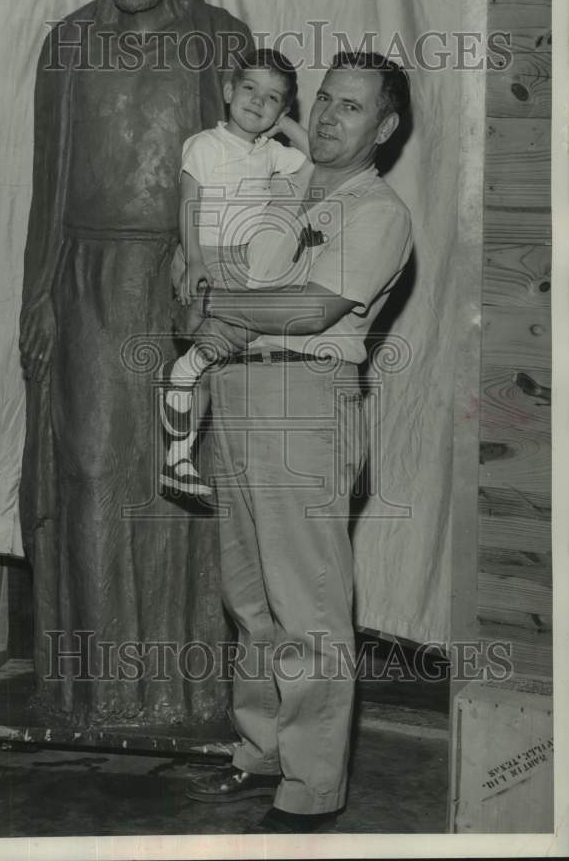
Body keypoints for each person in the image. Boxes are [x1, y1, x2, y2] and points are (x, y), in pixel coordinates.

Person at [18, 0, 251, 726]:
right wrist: (38, 294)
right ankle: (97, 684)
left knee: (177, 478)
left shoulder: (219, 40)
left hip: (178, 282)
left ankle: (180, 687)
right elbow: (47, 184)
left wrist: (224, 299)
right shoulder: (70, 44)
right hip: (85, 276)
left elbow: (244, 184)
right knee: (86, 470)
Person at [182, 50, 413, 833]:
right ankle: (262, 753)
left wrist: (219, 298)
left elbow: (312, 311)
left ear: (383, 127)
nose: (326, 116)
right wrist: (206, 285)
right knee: (249, 600)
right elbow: (201, 265)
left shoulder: (377, 210)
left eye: (351, 107)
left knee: (307, 603)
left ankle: (313, 789)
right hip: (238, 392)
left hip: (305, 401)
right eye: (323, 100)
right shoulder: (273, 187)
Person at [159, 48, 309, 497]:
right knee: (218, 339)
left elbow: (315, 160)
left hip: (244, 260)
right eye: (250, 89)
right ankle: (189, 369)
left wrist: (286, 126)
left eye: (273, 99)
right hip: (205, 254)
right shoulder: (205, 144)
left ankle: (178, 462)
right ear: (228, 91)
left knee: (215, 357)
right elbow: (189, 201)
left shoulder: (270, 153)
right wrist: (196, 258)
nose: (259, 102)